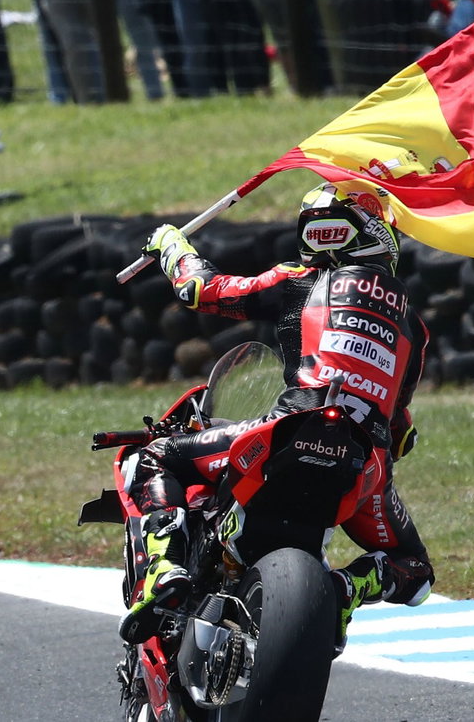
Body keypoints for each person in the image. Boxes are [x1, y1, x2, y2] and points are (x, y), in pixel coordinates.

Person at [120, 182, 434, 646]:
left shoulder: (298, 279)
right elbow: (399, 428)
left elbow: (200, 288)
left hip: (290, 428)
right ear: (378, 235)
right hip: (365, 465)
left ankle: (165, 568)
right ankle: (348, 587)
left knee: (153, 457)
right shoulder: (412, 324)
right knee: (417, 571)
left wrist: (170, 242)